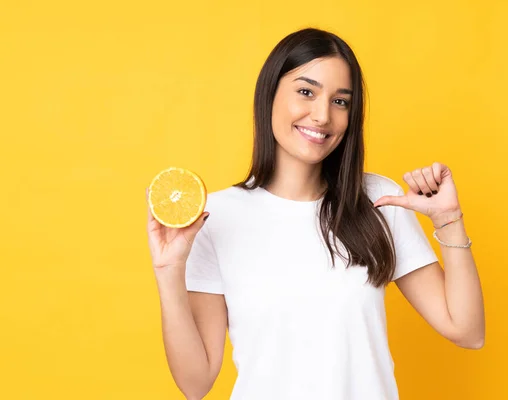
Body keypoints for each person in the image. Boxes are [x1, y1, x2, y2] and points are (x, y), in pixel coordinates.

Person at [146, 27, 485, 400]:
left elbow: (468, 331)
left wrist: (448, 220)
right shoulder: (216, 217)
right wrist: (168, 272)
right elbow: (196, 384)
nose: (322, 115)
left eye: (341, 101)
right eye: (306, 92)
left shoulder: (378, 200)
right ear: (270, 94)